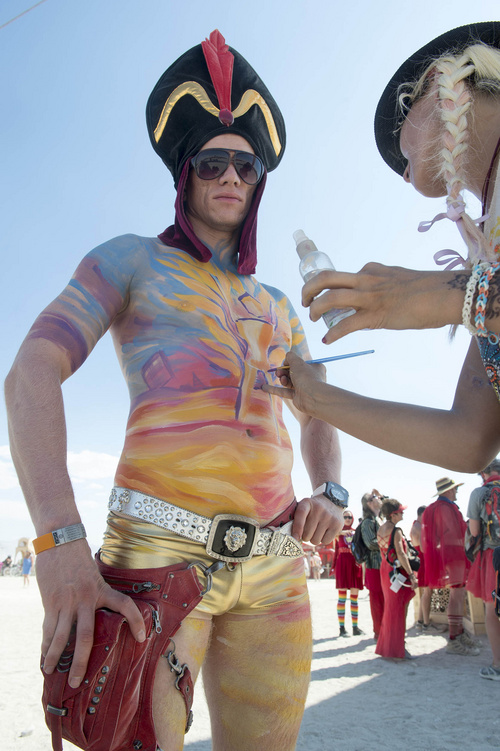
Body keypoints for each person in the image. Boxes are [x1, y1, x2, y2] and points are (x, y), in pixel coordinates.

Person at [5, 31, 344, 751]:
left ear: (259, 179)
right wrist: (59, 542)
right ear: (185, 171)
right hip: (155, 558)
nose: (229, 175)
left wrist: (333, 490)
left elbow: (318, 407)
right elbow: (30, 373)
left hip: (276, 565)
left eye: (244, 163)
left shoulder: (281, 304)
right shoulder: (128, 261)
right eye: (211, 160)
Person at [261, 22, 500, 474]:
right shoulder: (484, 253)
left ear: (431, 84)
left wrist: (441, 295)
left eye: (397, 142)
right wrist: (317, 398)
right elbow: (468, 440)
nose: (403, 174)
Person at [422, 478, 480, 656]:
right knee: (457, 595)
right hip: (454, 556)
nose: (456, 492)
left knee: (458, 595)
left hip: (451, 556)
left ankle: (459, 633)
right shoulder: (445, 508)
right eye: (454, 489)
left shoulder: (437, 507)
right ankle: (454, 639)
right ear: (447, 491)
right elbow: (453, 533)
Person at [466, 458, 500, 679]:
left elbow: (475, 531)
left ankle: (497, 665)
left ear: (483, 474)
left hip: (493, 556)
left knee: (492, 611)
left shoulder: (480, 494)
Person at [375, 499, 417, 660]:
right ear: (393, 514)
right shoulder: (396, 530)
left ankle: (389, 648)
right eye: (400, 511)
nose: (403, 513)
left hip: (386, 571)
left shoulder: (381, 529)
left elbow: (383, 552)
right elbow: (401, 553)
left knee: (391, 609)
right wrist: (412, 574)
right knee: (400, 610)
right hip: (398, 572)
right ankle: (398, 649)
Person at [331, 509, 363, 636]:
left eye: (350, 516)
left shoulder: (356, 533)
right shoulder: (338, 533)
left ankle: (355, 628)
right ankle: (342, 628)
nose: (348, 519)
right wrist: (343, 531)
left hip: (355, 564)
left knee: (354, 598)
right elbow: (332, 534)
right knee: (342, 598)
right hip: (342, 565)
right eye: (345, 517)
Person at [360, 490, 384, 640]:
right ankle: (379, 631)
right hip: (374, 566)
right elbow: (370, 543)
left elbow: (388, 503)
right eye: (374, 498)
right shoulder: (368, 522)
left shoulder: (378, 519)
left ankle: (384, 630)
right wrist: (389, 541)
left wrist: (378, 495)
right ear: (369, 503)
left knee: (384, 599)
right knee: (377, 600)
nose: (378, 499)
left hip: (382, 565)